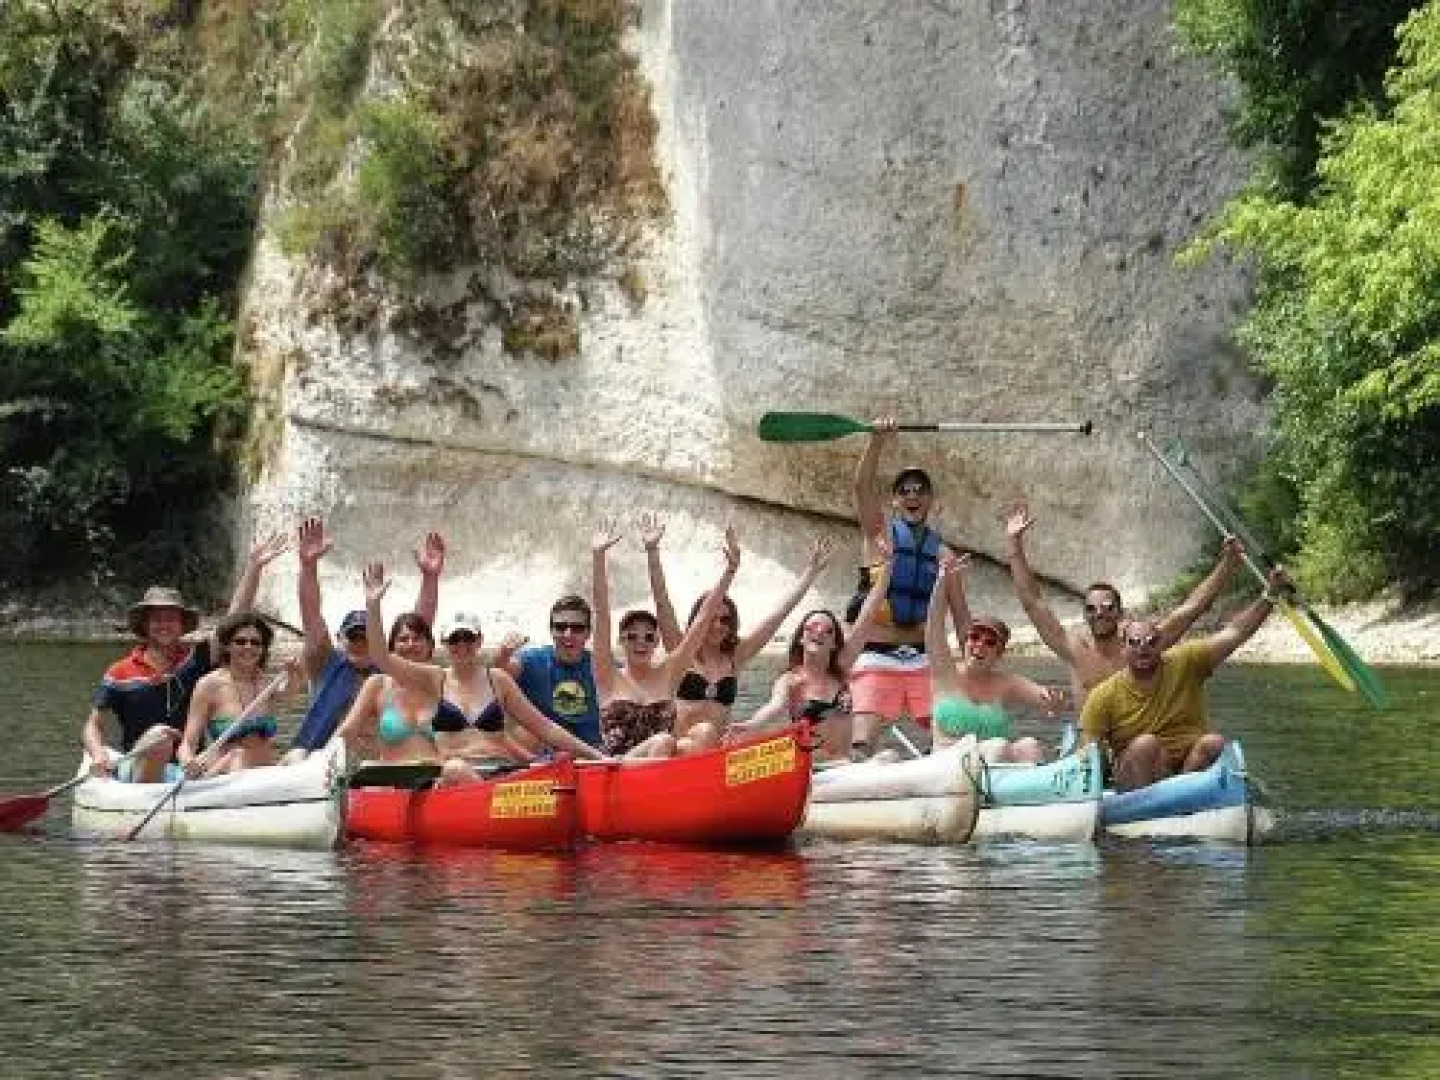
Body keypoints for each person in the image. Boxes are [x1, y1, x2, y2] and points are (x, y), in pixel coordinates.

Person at [333, 565, 605, 784]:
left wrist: (594, 755)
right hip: (459, 778)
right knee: (454, 768)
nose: (462, 645)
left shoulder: (498, 680)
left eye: (468, 638)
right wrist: (373, 606)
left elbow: (545, 727)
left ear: (478, 641)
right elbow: (381, 657)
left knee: (556, 760)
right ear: (445, 644)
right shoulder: (435, 678)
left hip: (503, 773)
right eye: (455, 639)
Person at [80, 533, 289, 782]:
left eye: (171, 618)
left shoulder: (194, 660)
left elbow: (234, 619)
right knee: (160, 738)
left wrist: (254, 568)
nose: (164, 625)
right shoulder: (120, 672)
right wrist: (97, 753)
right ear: (145, 625)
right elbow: (94, 724)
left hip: (188, 770)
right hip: (137, 768)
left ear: (182, 626)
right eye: (157, 619)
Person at [1005, 499, 1244, 706]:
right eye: (1091, 609)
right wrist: (1014, 545)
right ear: (1085, 615)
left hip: (1133, 745)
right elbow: (1033, 603)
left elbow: (1190, 609)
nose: (1099, 613)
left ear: (1120, 613)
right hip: (1090, 747)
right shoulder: (1074, 649)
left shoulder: (1144, 646)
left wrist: (1227, 565)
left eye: (1108, 608)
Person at [1078, 562, 1290, 790]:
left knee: (1214, 743)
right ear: (1124, 648)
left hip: (1188, 768)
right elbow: (1087, 754)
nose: (1143, 648)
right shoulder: (1103, 696)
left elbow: (1236, 632)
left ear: (1161, 644)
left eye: (1151, 642)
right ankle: (1158, 806)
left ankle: (1181, 796)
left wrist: (1270, 596)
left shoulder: (1186, 661)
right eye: (1135, 643)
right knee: (1145, 745)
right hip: (1137, 775)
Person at [642, 511, 833, 740]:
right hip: (683, 750)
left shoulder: (736, 656)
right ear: (699, 620)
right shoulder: (681, 650)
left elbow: (778, 615)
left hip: (719, 753)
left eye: (725, 620)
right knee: (705, 732)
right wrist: (652, 552)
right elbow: (662, 603)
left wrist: (810, 573)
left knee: (760, 735)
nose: (718, 625)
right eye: (711, 618)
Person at [846, 417, 968, 759]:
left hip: (924, 660)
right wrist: (876, 442)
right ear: (895, 501)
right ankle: (860, 770)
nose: (913, 496)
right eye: (905, 491)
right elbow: (861, 488)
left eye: (920, 491)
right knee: (862, 741)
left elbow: (961, 617)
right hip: (876, 656)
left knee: (955, 735)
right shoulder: (879, 535)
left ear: (930, 501)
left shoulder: (944, 554)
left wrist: (971, 665)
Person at [286, 517, 446, 760]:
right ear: (340, 639)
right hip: (324, 760)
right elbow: (311, 616)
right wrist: (308, 567)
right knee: (296, 756)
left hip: (379, 764)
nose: (361, 643)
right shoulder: (324, 661)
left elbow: (417, 630)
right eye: (354, 636)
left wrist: (430, 578)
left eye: (368, 637)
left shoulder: (392, 670)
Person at [737, 536, 896, 759]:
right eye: (812, 627)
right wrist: (751, 724)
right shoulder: (791, 681)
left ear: (833, 644)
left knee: (889, 756)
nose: (819, 632)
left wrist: (888, 566)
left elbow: (868, 614)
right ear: (801, 638)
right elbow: (773, 708)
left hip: (845, 763)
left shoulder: (842, 665)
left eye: (827, 630)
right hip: (814, 767)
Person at [591, 520, 738, 758]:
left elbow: (702, 621)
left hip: (663, 768)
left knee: (704, 732)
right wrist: (598, 557)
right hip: (620, 769)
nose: (641, 642)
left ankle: (701, 790)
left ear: (657, 642)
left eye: (649, 637)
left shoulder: (669, 671)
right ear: (621, 640)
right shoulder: (607, 674)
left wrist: (729, 572)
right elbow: (601, 614)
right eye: (632, 636)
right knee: (662, 741)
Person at [926, 552, 1066, 764]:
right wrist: (941, 584)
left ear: (999, 654)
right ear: (965, 641)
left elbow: (1046, 698)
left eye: (990, 642)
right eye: (975, 637)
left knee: (1030, 745)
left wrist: (1054, 703)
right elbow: (934, 629)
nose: (980, 645)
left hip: (994, 772)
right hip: (947, 767)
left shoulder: (1006, 683)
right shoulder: (945, 671)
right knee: (998, 747)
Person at [178, 613, 303, 777]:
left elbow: (288, 696)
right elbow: (187, 743)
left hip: (264, 772)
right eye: (240, 641)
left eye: (256, 643)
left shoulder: (267, 684)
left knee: (299, 754)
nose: (248, 647)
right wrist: (188, 761)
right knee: (238, 756)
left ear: (263, 648)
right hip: (225, 773)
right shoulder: (209, 685)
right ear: (227, 646)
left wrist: (294, 674)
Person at [497, 595, 602, 751]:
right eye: (560, 627)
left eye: (577, 628)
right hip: (546, 755)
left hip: (594, 753)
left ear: (588, 633)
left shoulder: (602, 666)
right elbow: (498, 677)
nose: (568, 634)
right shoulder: (532, 660)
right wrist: (504, 654)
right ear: (551, 630)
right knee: (523, 734)